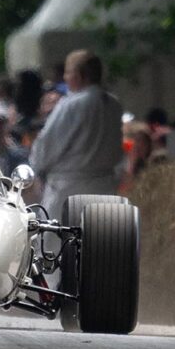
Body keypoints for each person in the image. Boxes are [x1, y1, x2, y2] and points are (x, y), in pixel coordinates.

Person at [30, 50, 123, 275]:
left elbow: (48, 145)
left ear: (79, 76)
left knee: (53, 245)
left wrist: (36, 168)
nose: (65, 79)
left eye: (67, 73)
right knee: (100, 247)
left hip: (68, 187)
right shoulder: (113, 104)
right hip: (105, 186)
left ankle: (51, 288)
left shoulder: (72, 104)